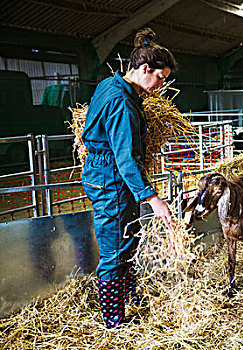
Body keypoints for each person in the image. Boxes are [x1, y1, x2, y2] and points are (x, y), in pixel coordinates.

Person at [81, 28, 176, 328]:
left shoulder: (112, 85)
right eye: (160, 78)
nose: (161, 86)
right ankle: (114, 321)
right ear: (145, 69)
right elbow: (125, 158)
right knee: (114, 249)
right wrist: (153, 198)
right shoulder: (122, 103)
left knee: (128, 237)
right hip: (111, 177)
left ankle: (129, 296)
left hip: (109, 174)